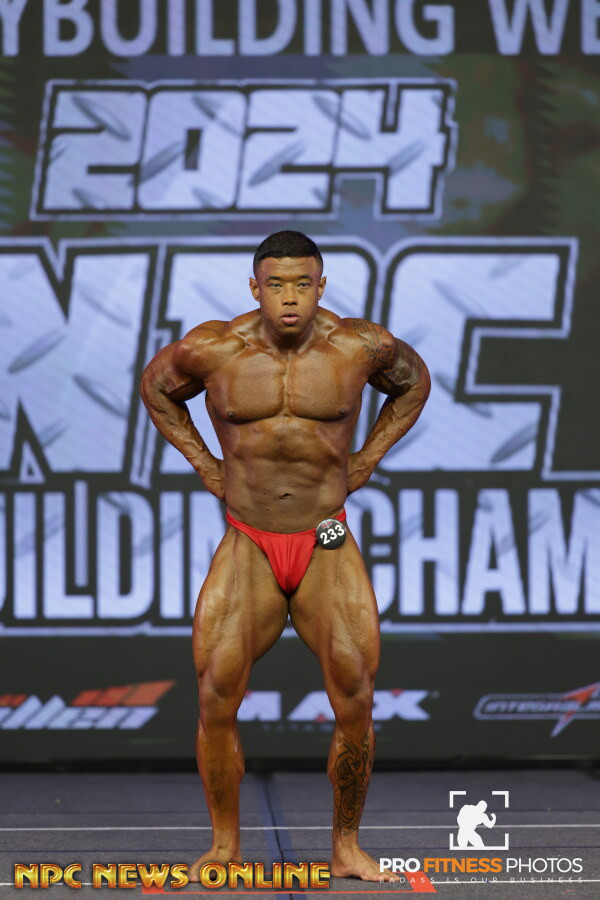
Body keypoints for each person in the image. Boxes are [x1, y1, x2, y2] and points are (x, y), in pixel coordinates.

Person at [140, 231, 430, 882]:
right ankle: (224, 846)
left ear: (322, 287)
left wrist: (368, 458)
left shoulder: (359, 346)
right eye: (276, 285)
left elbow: (414, 384)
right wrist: (206, 465)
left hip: (325, 537)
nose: (290, 297)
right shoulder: (214, 349)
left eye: (303, 284)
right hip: (250, 539)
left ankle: (347, 847)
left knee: (355, 695)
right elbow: (156, 387)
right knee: (216, 695)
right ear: (255, 288)